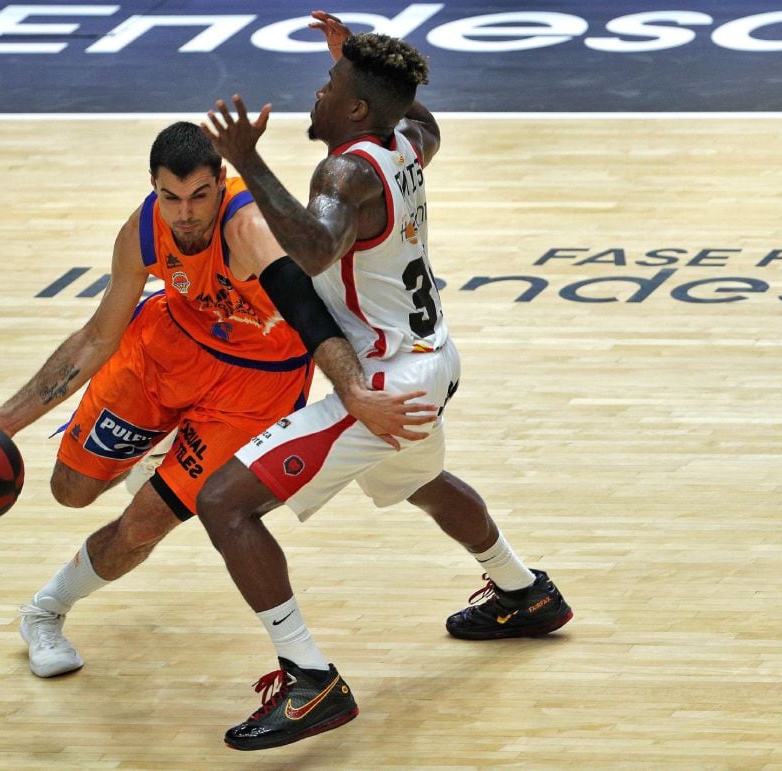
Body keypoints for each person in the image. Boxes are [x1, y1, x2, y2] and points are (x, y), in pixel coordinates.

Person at [196, 12, 573, 751]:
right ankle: (523, 591)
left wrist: (248, 160)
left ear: (358, 109)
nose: (318, 90)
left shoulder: (342, 172)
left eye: (331, 82)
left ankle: (311, 680)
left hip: (386, 382)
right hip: (429, 357)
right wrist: (356, 56)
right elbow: (418, 111)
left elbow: (309, 249)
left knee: (224, 504)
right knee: (419, 481)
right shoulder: (408, 139)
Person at [0, 121, 430, 679]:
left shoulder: (251, 228)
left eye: (199, 197)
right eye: (170, 198)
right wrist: (3, 422)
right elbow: (96, 336)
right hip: (162, 352)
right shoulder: (143, 230)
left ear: (221, 184)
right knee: (71, 491)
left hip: (255, 387)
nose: (184, 213)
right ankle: (161, 448)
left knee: (143, 524)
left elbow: (312, 319)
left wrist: (353, 392)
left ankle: (44, 611)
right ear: (153, 188)